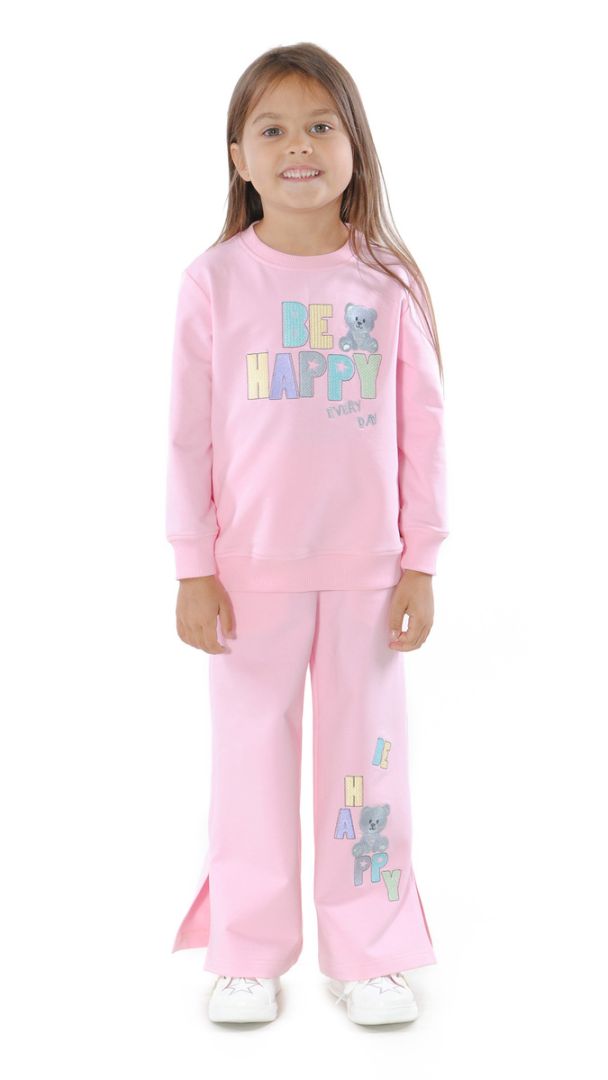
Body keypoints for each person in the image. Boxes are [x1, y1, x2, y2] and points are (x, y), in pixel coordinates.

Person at [165, 41, 449, 1027]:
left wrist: (420, 560)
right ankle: (245, 953)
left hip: (368, 575)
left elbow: (422, 429)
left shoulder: (386, 282)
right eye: (273, 129)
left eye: (320, 126)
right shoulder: (212, 283)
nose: (298, 146)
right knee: (250, 766)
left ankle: (369, 949)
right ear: (237, 157)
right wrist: (193, 567)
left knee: (366, 768)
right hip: (248, 578)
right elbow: (187, 436)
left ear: (354, 146)